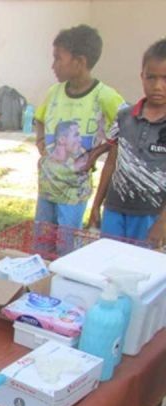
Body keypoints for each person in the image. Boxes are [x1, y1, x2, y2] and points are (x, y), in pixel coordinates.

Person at [33, 24, 126, 231]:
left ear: (80, 62)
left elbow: (127, 130)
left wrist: (99, 151)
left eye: (58, 58)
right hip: (47, 187)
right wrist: (40, 140)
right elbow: (39, 118)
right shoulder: (54, 92)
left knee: (65, 244)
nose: (53, 65)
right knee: (42, 241)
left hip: (73, 193)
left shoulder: (105, 96)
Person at [87, 39, 166, 247]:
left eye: (165, 78)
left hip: (151, 215)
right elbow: (111, 163)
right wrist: (96, 204)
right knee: (109, 259)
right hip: (114, 209)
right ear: (142, 77)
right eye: (151, 77)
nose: (158, 86)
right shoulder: (124, 117)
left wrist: (162, 222)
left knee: (141, 264)